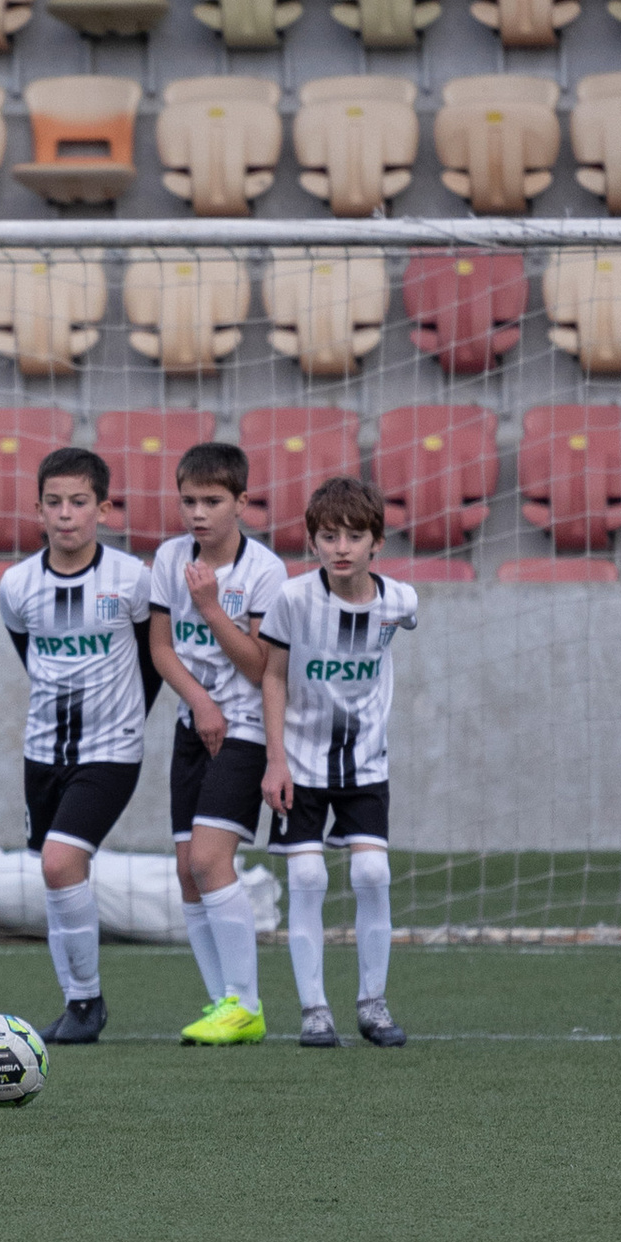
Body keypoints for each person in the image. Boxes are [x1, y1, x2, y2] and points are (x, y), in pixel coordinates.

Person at [0, 446, 157, 1050]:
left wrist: (127, 718)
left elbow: (151, 657)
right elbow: (28, 655)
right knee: (62, 873)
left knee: (59, 862)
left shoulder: (131, 579)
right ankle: (76, 1002)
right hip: (43, 752)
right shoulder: (17, 585)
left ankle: (87, 1004)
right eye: (55, 503)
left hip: (112, 750)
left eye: (80, 502)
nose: (67, 514)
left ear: (104, 509)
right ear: (38, 510)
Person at [258, 478, 418, 1054]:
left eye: (355, 536)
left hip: (366, 766)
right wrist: (275, 759)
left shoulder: (400, 602)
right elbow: (273, 674)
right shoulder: (293, 600)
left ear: (377, 542)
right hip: (299, 765)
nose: (341, 547)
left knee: (373, 875)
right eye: (329, 536)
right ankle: (314, 1011)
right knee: (306, 878)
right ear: (313, 541)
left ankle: (373, 1004)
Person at [147, 441, 288, 1052]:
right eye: (189, 501)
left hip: (249, 732)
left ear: (242, 503)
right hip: (192, 726)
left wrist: (209, 607)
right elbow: (159, 647)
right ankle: (223, 1001)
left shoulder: (266, 571)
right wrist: (199, 702)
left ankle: (248, 1006)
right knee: (186, 871)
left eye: (212, 501)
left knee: (209, 861)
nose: (198, 514)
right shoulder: (169, 557)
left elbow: (261, 667)